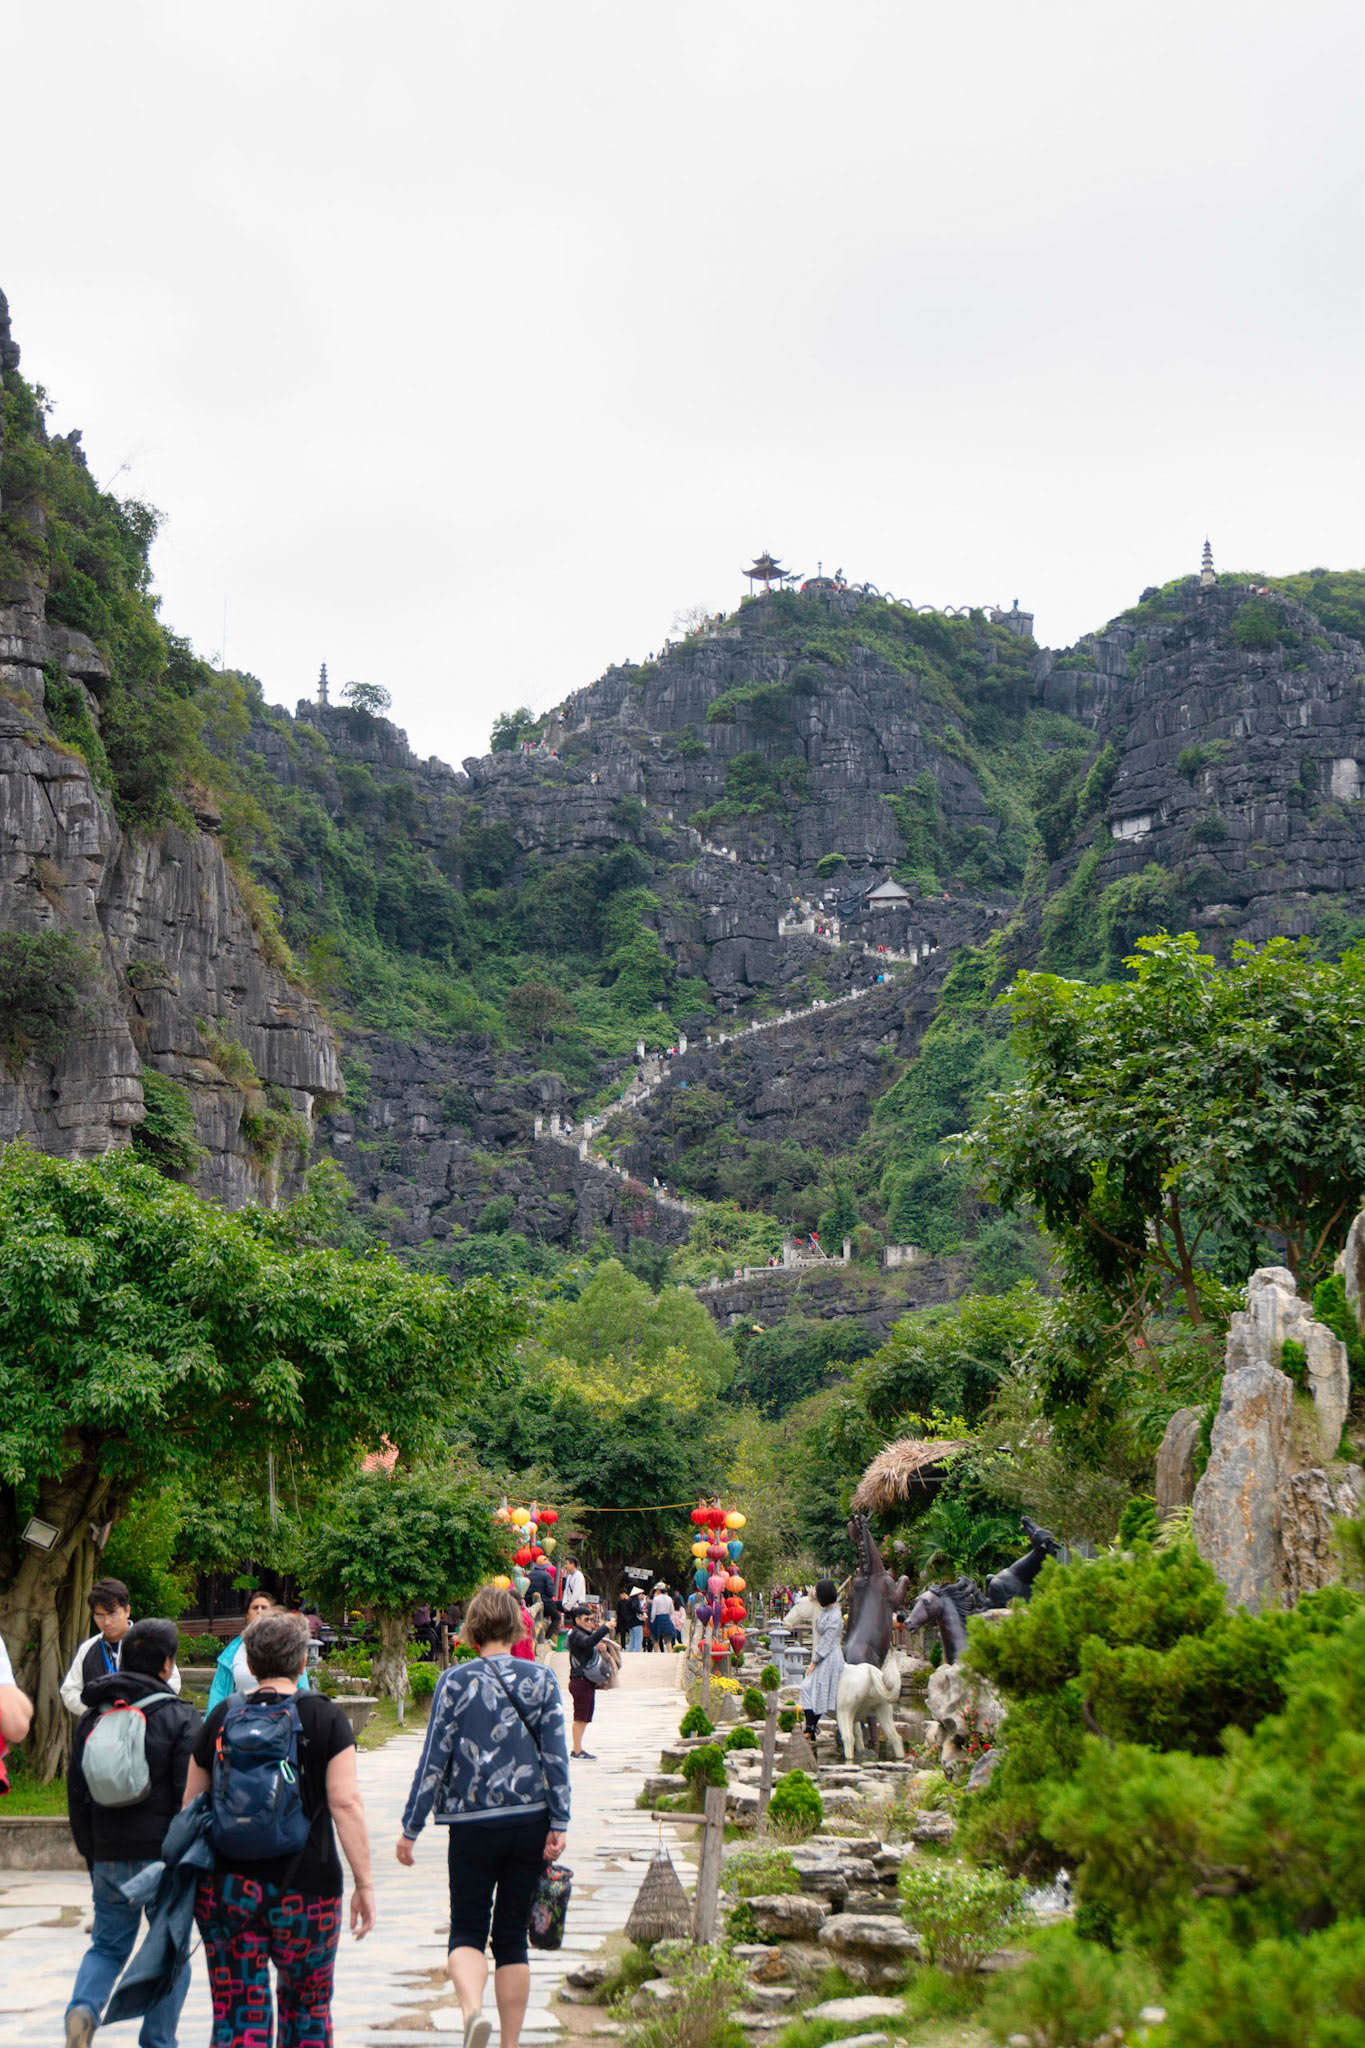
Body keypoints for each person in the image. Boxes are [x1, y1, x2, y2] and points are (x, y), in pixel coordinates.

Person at [184, 1610, 374, 2046]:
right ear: (303, 1662)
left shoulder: (220, 1719)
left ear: (248, 1664)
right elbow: (345, 1803)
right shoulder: (326, 1718)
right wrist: (364, 1883)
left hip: (228, 1889)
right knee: (307, 2009)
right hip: (307, 1890)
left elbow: (192, 1807)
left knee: (236, 2013)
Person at [396, 1585, 570, 2048]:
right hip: (530, 1822)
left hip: (471, 1826)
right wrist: (560, 1822)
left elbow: (434, 1758)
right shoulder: (542, 1681)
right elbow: (556, 1757)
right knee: (511, 1938)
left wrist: (410, 1828)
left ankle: (473, 2013)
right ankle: (510, 2044)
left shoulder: (454, 1681)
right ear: (517, 1627)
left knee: (468, 1928)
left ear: (472, 1629)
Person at [65, 1618, 202, 2048]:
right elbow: (190, 1799)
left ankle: (84, 2009)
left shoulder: (92, 1717)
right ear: (166, 1664)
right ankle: (158, 2041)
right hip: (163, 1858)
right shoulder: (181, 1717)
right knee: (169, 1953)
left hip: (107, 1853)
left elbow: (77, 1794)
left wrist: (93, 1855)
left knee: (106, 1946)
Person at [61, 1577, 182, 1716]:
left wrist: (140, 1708)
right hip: (100, 1728)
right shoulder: (87, 1649)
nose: (106, 1622)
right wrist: (97, 1709)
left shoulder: (149, 1641)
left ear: (127, 1611)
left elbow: (172, 1682)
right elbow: (69, 1691)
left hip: (144, 1725)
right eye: (100, 1616)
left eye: (112, 1614)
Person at [206, 1591, 312, 1712]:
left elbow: (301, 1686)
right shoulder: (230, 1655)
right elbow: (218, 1693)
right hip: (242, 1719)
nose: (259, 1611)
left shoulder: (287, 1646)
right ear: (246, 1615)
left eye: (264, 1608)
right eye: (255, 1607)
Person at [798, 1578, 844, 1742]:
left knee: (811, 1688)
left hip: (830, 1657)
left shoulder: (835, 1616)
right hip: (824, 1655)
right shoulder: (826, 1612)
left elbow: (827, 1641)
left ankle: (810, 1728)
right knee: (808, 1689)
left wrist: (814, 1662)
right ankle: (811, 1727)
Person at [565, 1602, 611, 1760]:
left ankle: (578, 1748)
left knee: (584, 1716)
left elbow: (589, 1645)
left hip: (585, 1681)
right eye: (586, 1619)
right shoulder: (576, 1634)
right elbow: (587, 1643)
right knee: (580, 1716)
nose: (590, 1623)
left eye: (592, 1620)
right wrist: (605, 1628)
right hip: (580, 1680)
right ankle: (576, 1750)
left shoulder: (581, 1635)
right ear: (577, 1620)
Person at [615, 1586, 644, 1654]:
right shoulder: (634, 1601)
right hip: (635, 1622)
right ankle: (637, 1652)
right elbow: (635, 1609)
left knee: (632, 1639)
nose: (642, 1596)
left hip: (629, 1622)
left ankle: (629, 1652)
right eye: (641, 1594)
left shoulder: (627, 1601)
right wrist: (641, 1613)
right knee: (638, 1638)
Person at [648, 1583, 676, 1651]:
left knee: (655, 1638)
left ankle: (656, 1653)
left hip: (658, 1619)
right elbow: (672, 1611)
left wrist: (652, 1620)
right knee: (668, 1640)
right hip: (666, 1618)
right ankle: (669, 1653)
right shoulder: (669, 1598)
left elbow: (653, 1612)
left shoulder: (656, 1599)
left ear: (659, 1590)